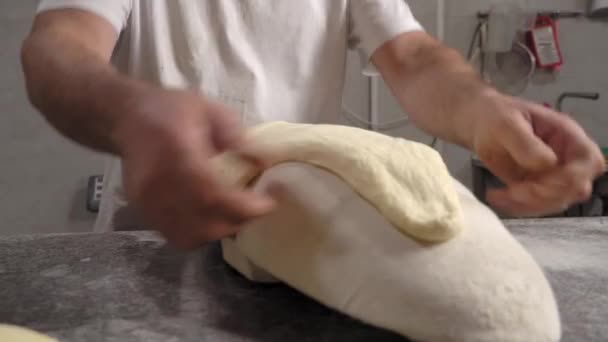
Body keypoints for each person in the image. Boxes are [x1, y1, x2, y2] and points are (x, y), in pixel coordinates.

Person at [21, 1, 604, 249]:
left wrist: (486, 112)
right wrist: (130, 116)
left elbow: (414, 57)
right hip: (150, 241)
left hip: (298, 246)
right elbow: (57, 49)